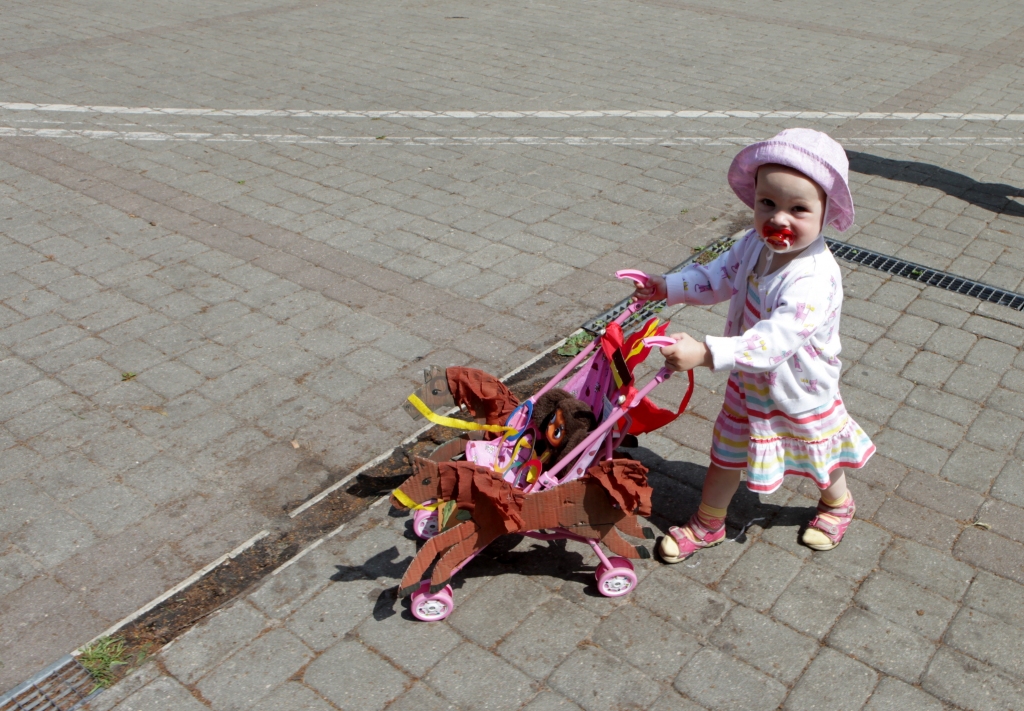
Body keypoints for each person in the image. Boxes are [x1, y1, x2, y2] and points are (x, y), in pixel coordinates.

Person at [632, 128, 874, 562]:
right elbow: (716, 277)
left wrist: (706, 353)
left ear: (825, 212)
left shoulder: (813, 277)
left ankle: (838, 503)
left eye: (798, 208)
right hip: (749, 381)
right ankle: (708, 523)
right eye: (768, 203)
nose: (779, 219)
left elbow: (775, 340)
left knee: (816, 452)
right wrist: (666, 287)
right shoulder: (752, 245)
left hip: (798, 389)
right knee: (726, 450)